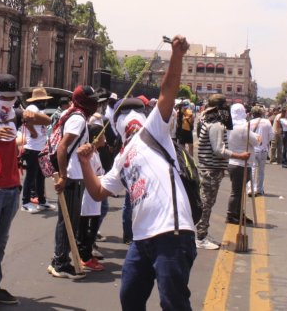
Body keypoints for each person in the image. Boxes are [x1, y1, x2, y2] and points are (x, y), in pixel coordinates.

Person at [77, 35, 196, 311]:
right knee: (129, 298)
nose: (130, 125)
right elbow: (97, 192)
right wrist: (85, 163)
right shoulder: (120, 160)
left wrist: (176, 56)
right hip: (141, 240)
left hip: (172, 232)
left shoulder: (152, 132)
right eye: (125, 121)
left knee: (173, 303)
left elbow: (168, 91)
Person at [0, 74, 50, 310]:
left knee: (1, 242)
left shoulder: (14, 114)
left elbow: (44, 120)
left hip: (12, 188)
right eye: (4, 96)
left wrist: (34, 115)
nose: (8, 100)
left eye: (12, 97)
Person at [48, 85, 99, 280]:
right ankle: (60, 262)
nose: (94, 104)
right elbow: (62, 147)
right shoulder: (78, 119)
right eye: (91, 100)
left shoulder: (77, 116)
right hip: (71, 175)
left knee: (69, 219)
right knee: (67, 220)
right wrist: (63, 176)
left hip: (74, 174)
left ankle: (60, 259)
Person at [195, 94, 243, 250]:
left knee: (206, 202)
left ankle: (201, 233)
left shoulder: (206, 120)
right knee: (207, 203)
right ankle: (200, 237)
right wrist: (237, 155)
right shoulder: (215, 125)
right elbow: (218, 150)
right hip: (210, 169)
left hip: (208, 167)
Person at [77, 121, 106, 272]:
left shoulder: (96, 153)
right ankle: (85, 257)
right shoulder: (90, 156)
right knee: (87, 228)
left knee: (92, 227)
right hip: (89, 198)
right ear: (95, 137)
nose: (105, 138)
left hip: (95, 198)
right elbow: (92, 175)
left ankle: (87, 254)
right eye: (103, 135)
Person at [21, 87, 53, 212]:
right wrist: (33, 132)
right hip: (32, 147)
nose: (45, 102)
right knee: (31, 176)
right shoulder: (32, 109)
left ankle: (42, 201)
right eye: (43, 100)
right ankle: (25, 201)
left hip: (40, 147)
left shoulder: (38, 109)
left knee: (40, 176)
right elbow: (26, 121)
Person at [226, 104, 260, 225]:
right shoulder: (243, 128)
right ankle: (231, 215)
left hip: (233, 162)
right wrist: (257, 137)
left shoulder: (229, 127)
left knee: (239, 191)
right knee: (237, 191)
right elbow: (256, 142)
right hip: (241, 163)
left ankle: (239, 213)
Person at [248, 106, 272, 196]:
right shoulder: (267, 122)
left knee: (252, 169)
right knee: (261, 171)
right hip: (263, 149)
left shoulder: (250, 123)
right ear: (261, 113)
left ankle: (250, 189)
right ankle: (259, 189)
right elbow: (271, 136)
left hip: (253, 149)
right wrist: (265, 142)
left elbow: (247, 136)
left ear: (252, 114)